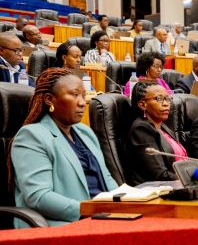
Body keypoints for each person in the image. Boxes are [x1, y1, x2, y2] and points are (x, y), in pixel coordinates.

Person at [9, 68, 118, 227]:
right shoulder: (31, 136)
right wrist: (91, 210)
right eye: (74, 95)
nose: (82, 102)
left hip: (102, 218)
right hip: (60, 224)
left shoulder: (85, 132)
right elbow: (39, 197)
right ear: (49, 99)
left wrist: (125, 202)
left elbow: (106, 179)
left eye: (83, 95)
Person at [127, 82, 186, 185]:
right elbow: (159, 175)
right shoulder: (141, 129)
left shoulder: (163, 127)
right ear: (142, 104)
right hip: (158, 191)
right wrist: (189, 177)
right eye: (159, 99)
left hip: (179, 183)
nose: (166, 103)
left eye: (168, 99)